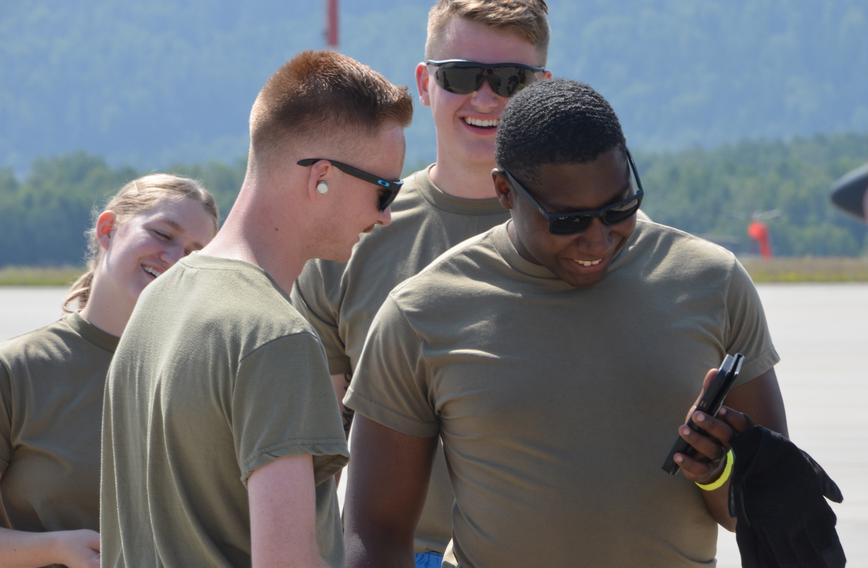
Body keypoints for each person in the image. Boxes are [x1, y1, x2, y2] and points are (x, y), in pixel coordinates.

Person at [342, 79, 789, 567]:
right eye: (568, 221)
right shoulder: (422, 313)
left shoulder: (712, 284)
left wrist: (717, 473)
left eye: (619, 209)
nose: (597, 241)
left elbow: (774, 511)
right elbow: (375, 529)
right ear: (504, 192)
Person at [99, 50, 412, 567]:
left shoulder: (158, 299)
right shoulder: (275, 338)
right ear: (322, 178)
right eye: (385, 191)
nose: (387, 217)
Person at [291, 2, 551, 565]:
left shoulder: (586, 238)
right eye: (460, 75)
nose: (486, 98)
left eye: (511, 80)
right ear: (424, 84)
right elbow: (312, 452)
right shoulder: (351, 237)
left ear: (543, 92)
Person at [0, 173, 218, 568]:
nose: (174, 260)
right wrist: (56, 549)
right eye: (163, 234)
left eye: (194, 253)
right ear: (107, 229)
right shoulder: (18, 370)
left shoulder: (204, 373)